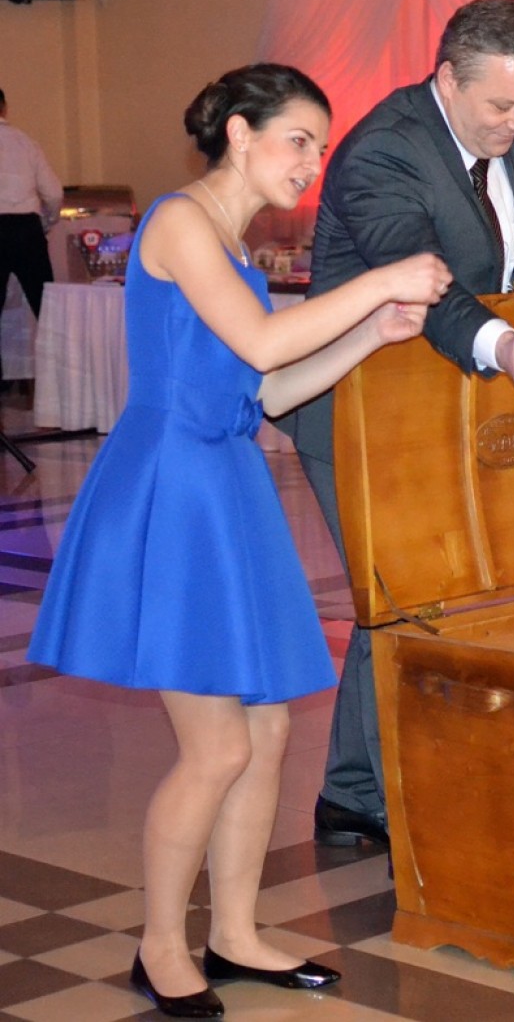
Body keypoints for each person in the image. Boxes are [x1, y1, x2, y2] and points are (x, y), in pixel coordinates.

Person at [27, 63, 451, 1019]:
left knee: (264, 733)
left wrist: (371, 334)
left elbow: (267, 389)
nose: (310, 162)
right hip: (173, 487)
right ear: (240, 134)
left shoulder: (234, 246)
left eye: (320, 147)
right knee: (217, 747)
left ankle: (235, 932)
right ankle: (159, 945)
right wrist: (381, 279)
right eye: (299, 140)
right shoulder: (180, 222)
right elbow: (262, 346)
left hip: (222, 479)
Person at [285, 0, 514, 852]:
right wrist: (502, 340)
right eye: (503, 105)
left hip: (446, 399)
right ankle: (414, 811)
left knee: (411, 597)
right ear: (447, 78)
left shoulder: (503, 142)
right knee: (409, 600)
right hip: (359, 406)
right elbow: (424, 279)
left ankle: (353, 792)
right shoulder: (384, 150)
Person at [0, 86, 62, 375]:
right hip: (27, 228)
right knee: (47, 309)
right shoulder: (26, 142)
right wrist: (46, 222)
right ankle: (61, 384)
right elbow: (53, 192)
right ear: (4, 108)